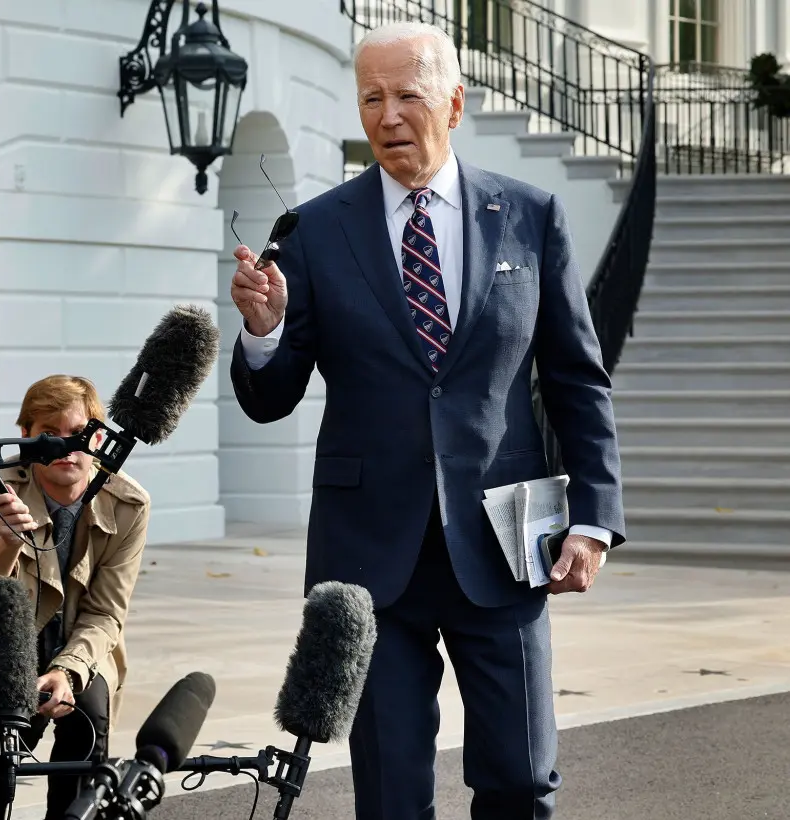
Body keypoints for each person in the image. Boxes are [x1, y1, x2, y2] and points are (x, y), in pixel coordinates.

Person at [228, 21, 625, 820]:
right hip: (369, 558)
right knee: (392, 796)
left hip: (506, 547)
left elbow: (578, 381)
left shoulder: (530, 216)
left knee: (521, 778)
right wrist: (264, 330)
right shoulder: (313, 231)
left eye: (408, 94)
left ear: (455, 101)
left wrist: (595, 518)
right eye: (371, 97)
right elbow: (269, 397)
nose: (388, 114)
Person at [0, 375, 151, 820]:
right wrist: (6, 543)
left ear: (99, 437)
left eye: (79, 435)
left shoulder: (129, 504)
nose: (66, 449)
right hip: (3, 642)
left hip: (80, 642)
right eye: (50, 435)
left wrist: (67, 672)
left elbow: (106, 613)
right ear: (25, 436)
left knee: (88, 720)